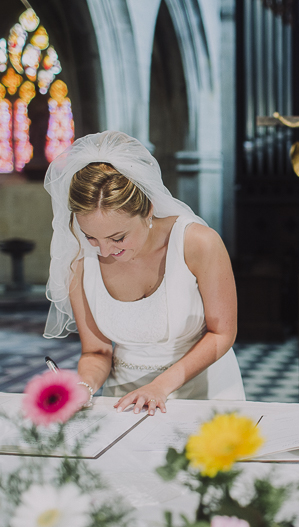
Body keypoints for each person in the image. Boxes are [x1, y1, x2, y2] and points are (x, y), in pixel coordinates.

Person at [43, 130, 245, 416]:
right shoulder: (79, 262)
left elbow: (222, 332)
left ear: (148, 210)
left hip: (206, 394)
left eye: (118, 237)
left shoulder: (197, 243)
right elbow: (97, 352)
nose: (103, 251)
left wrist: (160, 386)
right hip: (126, 404)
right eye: (91, 237)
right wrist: (84, 386)